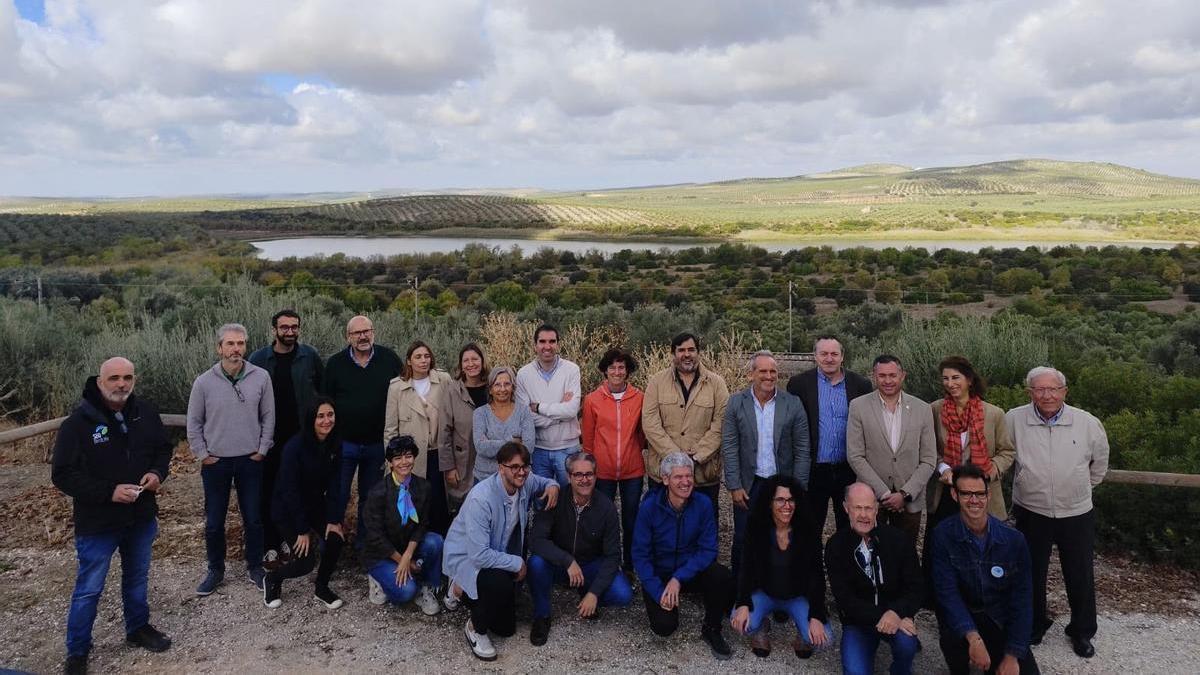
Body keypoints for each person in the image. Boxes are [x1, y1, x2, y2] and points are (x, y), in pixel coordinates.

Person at [51, 358, 173, 675]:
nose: (122, 384)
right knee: (89, 588)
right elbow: (62, 474)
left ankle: (137, 628)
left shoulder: (145, 412)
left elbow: (163, 449)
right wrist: (108, 492)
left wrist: (157, 473)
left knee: (137, 578)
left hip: (141, 516)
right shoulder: (77, 424)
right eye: (115, 378)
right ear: (100, 381)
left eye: (128, 377)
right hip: (98, 522)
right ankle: (77, 651)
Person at [1007, 366, 1109, 658]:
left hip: (1076, 512)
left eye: (1053, 389)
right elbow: (1004, 453)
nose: (1047, 395)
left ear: (1064, 391)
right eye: (1039, 389)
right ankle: (1034, 624)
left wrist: (1078, 488)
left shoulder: (1087, 423)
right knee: (1030, 573)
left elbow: (1099, 464)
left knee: (1079, 574)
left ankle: (1082, 631)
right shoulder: (1014, 419)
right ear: (1030, 392)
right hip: (1031, 510)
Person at [442, 442, 560, 661]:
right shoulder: (481, 498)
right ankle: (474, 625)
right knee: (499, 583)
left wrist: (553, 486)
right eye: (514, 466)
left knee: (506, 629)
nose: (521, 471)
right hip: (469, 557)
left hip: (496, 554)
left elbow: (545, 482)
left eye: (525, 466)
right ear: (500, 467)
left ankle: (463, 590)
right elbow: (478, 555)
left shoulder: (525, 480)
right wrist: (517, 563)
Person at [187, 323, 275, 595]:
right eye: (230, 344)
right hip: (217, 463)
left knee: (253, 518)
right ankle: (215, 569)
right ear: (219, 348)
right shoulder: (204, 382)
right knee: (214, 520)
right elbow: (194, 422)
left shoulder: (261, 377)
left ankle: (254, 567)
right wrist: (203, 454)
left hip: (250, 460)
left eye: (240, 344)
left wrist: (262, 449)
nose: (235, 349)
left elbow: (268, 416)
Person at [932, 464, 1039, 675]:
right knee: (954, 641)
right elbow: (947, 594)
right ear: (955, 494)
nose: (974, 501)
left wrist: (1012, 655)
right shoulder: (942, 536)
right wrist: (973, 638)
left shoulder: (1014, 541)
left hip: (1000, 620)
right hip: (964, 619)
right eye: (966, 494)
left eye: (980, 494)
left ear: (988, 495)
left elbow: (1022, 600)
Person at [925, 356, 1015, 603]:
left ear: (969, 379)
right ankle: (937, 597)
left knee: (979, 543)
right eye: (945, 378)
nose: (950, 383)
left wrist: (987, 473)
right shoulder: (934, 410)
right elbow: (928, 449)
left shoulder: (994, 414)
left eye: (956, 377)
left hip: (982, 491)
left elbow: (1007, 451)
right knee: (941, 542)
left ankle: (978, 594)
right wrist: (943, 468)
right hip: (946, 490)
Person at [632, 451, 734, 660]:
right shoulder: (650, 507)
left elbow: (708, 549)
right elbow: (640, 555)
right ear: (665, 479)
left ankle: (712, 628)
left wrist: (679, 578)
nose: (686, 482)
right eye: (679, 477)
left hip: (688, 572)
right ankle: (665, 599)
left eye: (689, 476)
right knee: (664, 627)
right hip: (660, 573)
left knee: (721, 575)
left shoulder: (703, 504)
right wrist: (657, 589)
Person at [527, 451, 633, 646]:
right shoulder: (555, 499)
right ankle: (542, 616)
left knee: (623, 594)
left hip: (590, 564)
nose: (584, 480)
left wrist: (595, 592)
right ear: (569, 476)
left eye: (589, 474)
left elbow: (613, 556)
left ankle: (587, 594)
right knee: (536, 563)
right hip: (560, 565)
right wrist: (567, 560)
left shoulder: (606, 507)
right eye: (578, 475)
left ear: (595, 476)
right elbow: (536, 540)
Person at [722, 350, 810, 580]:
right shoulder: (735, 403)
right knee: (743, 538)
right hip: (749, 484)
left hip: (781, 484)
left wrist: (797, 488)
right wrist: (734, 485)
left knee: (781, 538)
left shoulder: (792, 404)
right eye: (763, 371)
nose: (769, 376)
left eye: (773, 371)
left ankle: (779, 593)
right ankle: (740, 593)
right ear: (752, 374)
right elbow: (729, 446)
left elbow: (802, 449)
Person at [249, 309, 324, 564]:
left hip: (301, 438)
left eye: (294, 327)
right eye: (284, 327)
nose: (290, 332)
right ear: (274, 330)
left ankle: (290, 538)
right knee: (268, 490)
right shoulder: (258, 359)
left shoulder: (309, 356)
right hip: (267, 438)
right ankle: (269, 543)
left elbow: (321, 392)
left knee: (297, 489)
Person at [825, 482, 923, 675]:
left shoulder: (898, 539)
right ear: (846, 508)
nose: (863, 515)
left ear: (876, 509)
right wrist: (884, 616)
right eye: (857, 508)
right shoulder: (836, 546)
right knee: (855, 672)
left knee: (907, 644)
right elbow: (845, 599)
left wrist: (897, 613)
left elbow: (917, 587)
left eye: (868, 508)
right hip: (858, 622)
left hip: (896, 614)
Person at [323, 315, 403, 547]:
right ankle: (331, 544)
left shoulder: (389, 359)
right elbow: (325, 401)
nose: (363, 336)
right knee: (338, 493)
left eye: (366, 331)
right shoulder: (336, 363)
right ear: (348, 337)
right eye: (357, 333)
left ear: (373, 332)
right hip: (344, 443)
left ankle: (364, 547)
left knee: (370, 498)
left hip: (377, 444)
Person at [730, 475, 829, 661]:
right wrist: (743, 603)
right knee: (740, 621)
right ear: (769, 503)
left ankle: (802, 634)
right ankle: (761, 626)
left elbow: (817, 575)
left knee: (825, 640)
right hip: (765, 593)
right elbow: (747, 567)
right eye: (780, 500)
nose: (787, 505)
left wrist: (816, 614)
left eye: (791, 500)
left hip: (796, 596)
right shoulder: (757, 526)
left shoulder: (807, 529)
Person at [263, 396, 346, 610]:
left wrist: (334, 519)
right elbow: (289, 490)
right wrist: (302, 529)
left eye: (330, 415)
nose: (326, 420)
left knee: (336, 538)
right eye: (320, 416)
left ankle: (322, 587)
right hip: (287, 509)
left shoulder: (336, 443)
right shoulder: (294, 447)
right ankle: (273, 578)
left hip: (315, 504)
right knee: (304, 564)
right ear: (311, 419)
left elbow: (337, 485)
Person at [787, 335, 874, 534]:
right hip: (815, 470)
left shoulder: (860, 385)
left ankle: (845, 565)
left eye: (834, 354)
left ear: (842, 356)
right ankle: (812, 566)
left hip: (849, 470)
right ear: (814, 356)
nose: (829, 358)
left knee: (850, 527)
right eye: (824, 354)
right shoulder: (799, 384)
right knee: (810, 527)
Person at [846, 355, 936, 544]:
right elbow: (855, 456)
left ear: (903, 375)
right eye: (882, 375)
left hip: (909, 500)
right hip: (870, 497)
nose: (888, 381)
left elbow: (928, 459)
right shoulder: (858, 406)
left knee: (905, 551)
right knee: (870, 548)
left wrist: (905, 493)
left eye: (893, 375)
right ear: (874, 376)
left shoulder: (922, 409)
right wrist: (884, 494)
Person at [642, 332, 730, 524]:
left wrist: (697, 456)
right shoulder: (656, 382)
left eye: (691, 349)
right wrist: (678, 460)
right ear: (673, 354)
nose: (686, 354)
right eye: (681, 350)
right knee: (663, 528)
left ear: (699, 352)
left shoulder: (717, 384)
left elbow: (721, 424)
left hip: (703, 474)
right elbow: (650, 423)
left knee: (703, 528)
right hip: (663, 475)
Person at [361, 435, 445, 617]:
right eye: (398, 458)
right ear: (390, 463)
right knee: (406, 592)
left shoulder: (423, 487)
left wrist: (408, 556)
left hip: (407, 547)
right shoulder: (378, 492)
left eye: (408, 456)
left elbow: (422, 524)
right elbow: (375, 536)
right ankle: (378, 578)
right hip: (381, 554)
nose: (404, 462)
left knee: (435, 541)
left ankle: (426, 586)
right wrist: (402, 561)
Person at [580, 347, 646, 571]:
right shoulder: (592, 400)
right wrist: (589, 468)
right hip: (603, 470)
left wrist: (636, 449)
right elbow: (588, 437)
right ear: (605, 371)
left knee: (631, 520)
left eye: (621, 367)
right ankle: (605, 564)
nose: (617, 372)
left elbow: (642, 434)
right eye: (612, 367)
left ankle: (630, 566)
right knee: (603, 519)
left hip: (632, 470)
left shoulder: (640, 398)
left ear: (627, 371)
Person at [384, 340, 452, 534]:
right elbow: (390, 428)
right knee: (412, 506)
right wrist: (393, 461)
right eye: (418, 357)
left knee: (439, 505)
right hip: (409, 459)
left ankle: (439, 549)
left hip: (437, 454)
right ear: (409, 361)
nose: (424, 360)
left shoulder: (443, 380)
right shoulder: (397, 387)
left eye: (427, 356)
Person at [515, 323, 582, 488]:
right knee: (542, 500)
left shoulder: (572, 370)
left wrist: (538, 408)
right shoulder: (523, 374)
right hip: (538, 450)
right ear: (535, 345)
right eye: (542, 341)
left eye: (552, 341)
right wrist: (561, 414)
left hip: (568, 449)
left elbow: (572, 410)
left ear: (558, 344)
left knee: (570, 499)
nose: (547, 346)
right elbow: (525, 418)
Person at [438, 343, 490, 517]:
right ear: (461, 365)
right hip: (462, 464)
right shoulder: (452, 390)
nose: (471, 364)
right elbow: (444, 432)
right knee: (462, 512)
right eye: (466, 360)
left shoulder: (494, 387)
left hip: (491, 461)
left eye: (475, 359)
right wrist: (448, 468)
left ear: (482, 361)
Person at [472, 366, 536, 482]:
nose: (502, 389)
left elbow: (529, 447)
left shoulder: (524, 411)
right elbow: (480, 446)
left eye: (507, 384)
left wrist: (492, 444)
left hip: (518, 477)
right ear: (490, 389)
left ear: (513, 387)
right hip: (485, 478)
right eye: (497, 385)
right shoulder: (480, 413)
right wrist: (513, 442)